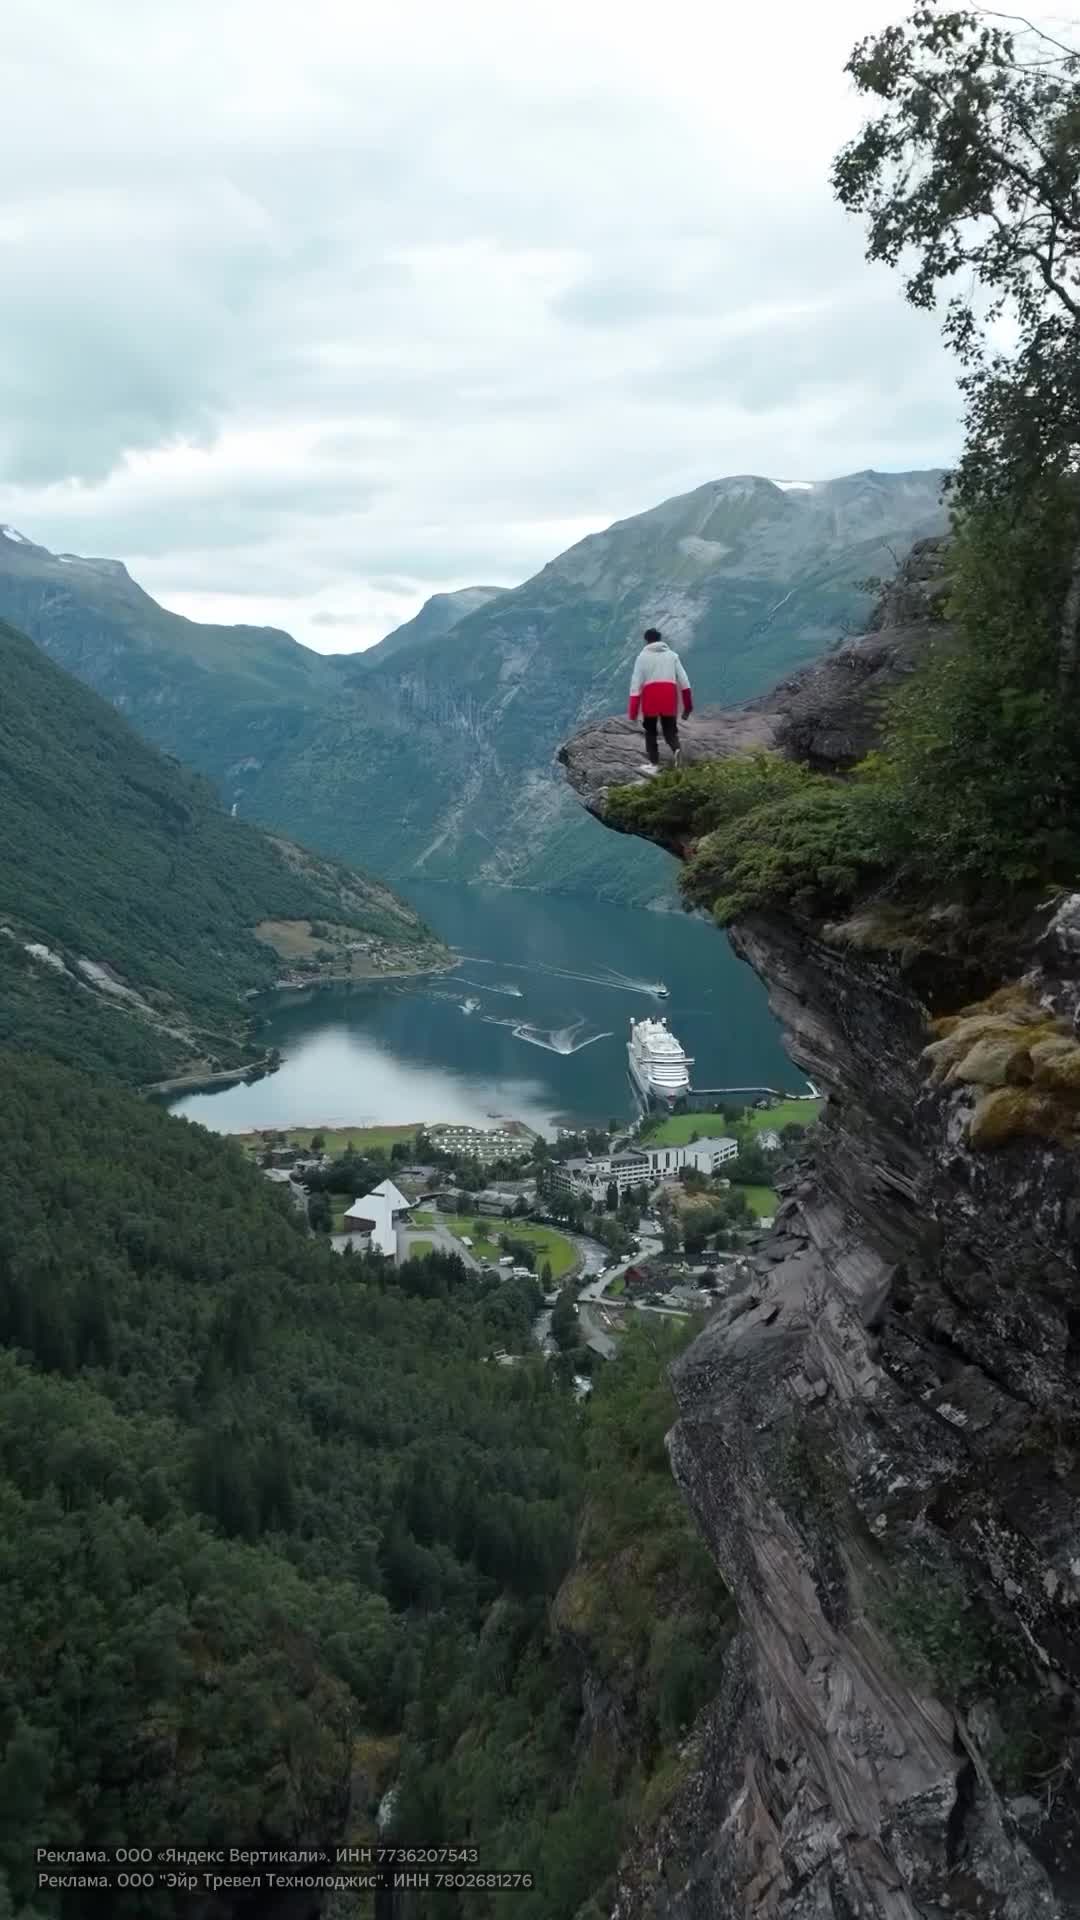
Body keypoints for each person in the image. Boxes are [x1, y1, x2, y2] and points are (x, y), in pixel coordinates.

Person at [627, 627, 692, 774]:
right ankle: (676, 751)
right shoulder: (672, 656)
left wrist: (633, 712)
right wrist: (688, 707)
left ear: (647, 640)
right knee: (670, 730)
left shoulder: (642, 657)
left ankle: (654, 764)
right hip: (669, 697)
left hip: (650, 698)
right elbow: (684, 681)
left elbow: (635, 685)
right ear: (660, 639)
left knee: (650, 732)